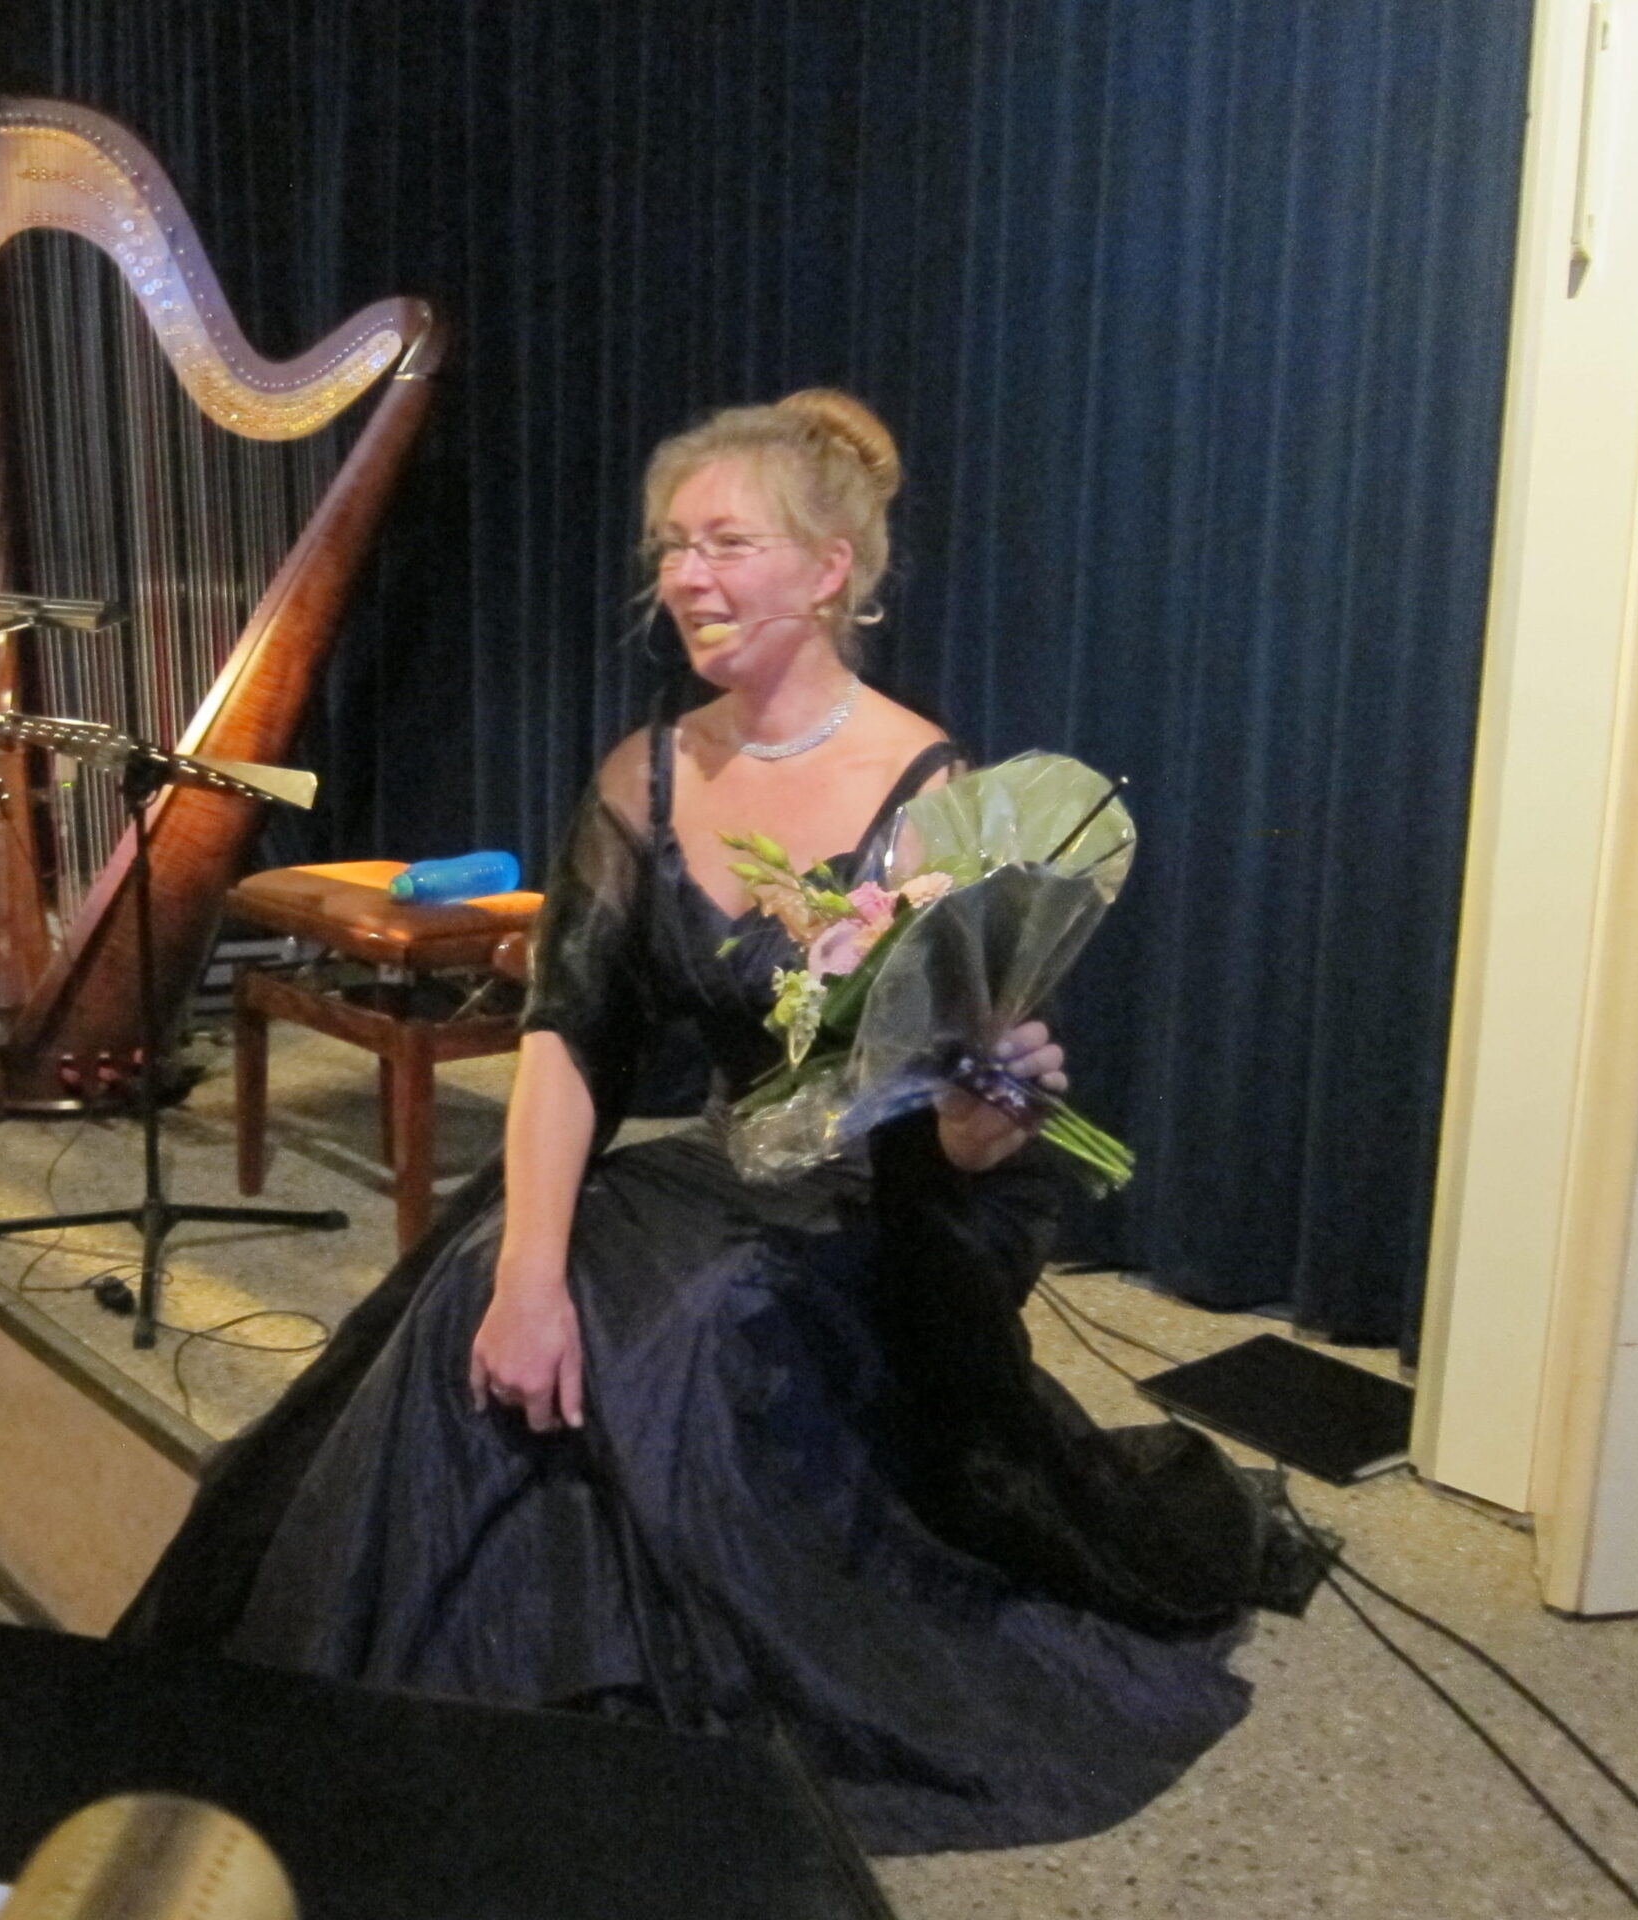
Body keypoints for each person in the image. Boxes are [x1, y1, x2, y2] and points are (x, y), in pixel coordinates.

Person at [115, 390, 1325, 1855]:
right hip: (721, 1160)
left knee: (689, 1337)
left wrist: (980, 1124)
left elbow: (938, 1113)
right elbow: (569, 1036)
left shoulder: (930, 792)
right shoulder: (643, 775)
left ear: (830, 570)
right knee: (478, 1292)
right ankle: (450, 1703)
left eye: (726, 543)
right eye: (672, 547)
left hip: (874, 1201)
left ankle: (617, 1694)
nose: (687, 576)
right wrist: (526, 1272)